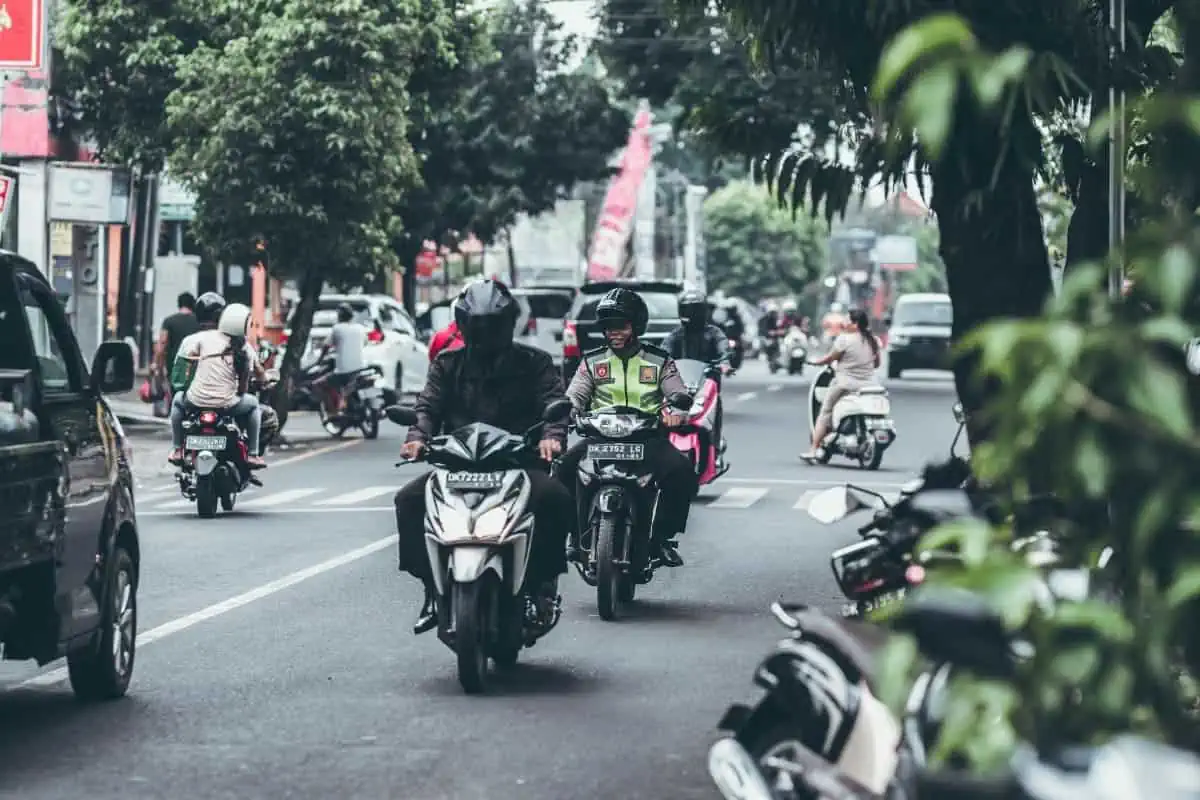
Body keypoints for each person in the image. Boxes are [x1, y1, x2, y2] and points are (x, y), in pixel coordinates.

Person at [394, 279, 575, 635]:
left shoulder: (535, 362)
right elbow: (427, 406)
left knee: (556, 499)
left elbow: (554, 405)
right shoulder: (447, 365)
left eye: (492, 327)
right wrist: (417, 437)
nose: (484, 335)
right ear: (463, 326)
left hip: (518, 463)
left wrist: (551, 439)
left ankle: (542, 584)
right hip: (457, 465)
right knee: (409, 501)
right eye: (477, 327)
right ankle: (432, 590)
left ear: (508, 325)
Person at [557, 287, 697, 569]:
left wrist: (674, 408)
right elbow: (574, 397)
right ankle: (574, 537)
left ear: (636, 326)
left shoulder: (659, 361)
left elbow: (676, 391)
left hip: (647, 441)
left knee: (683, 474)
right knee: (561, 470)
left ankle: (662, 538)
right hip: (599, 440)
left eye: (620, 325)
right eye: (608, 326)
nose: (614, 332)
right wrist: (568, 410)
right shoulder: (592, 363)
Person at [168, 294, 268, 469]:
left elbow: (180, 371)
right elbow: (256, 375)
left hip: (195, 401)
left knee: (177, 400)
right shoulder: (240, 343)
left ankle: (177, 449)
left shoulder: (191, 340)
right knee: (253, 406)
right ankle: (253, 454)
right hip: (227, 404)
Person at [802, 308, 881, 462]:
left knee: (825, 412)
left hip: (845, 384)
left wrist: (815, 362)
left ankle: (813, 449)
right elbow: (877, 364)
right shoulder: (874, 340)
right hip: (869, 386)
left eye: (847, 320)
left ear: (855, 324)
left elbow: (830, 358)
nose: (844, 323)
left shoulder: (844, 340)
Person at [662, 290, 730, 455]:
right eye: (687, 310)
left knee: (714, 408)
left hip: (707, 381)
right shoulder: (676, 334)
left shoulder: (714, 333)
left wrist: (724, 362)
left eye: (695, 310)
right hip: (679, 381)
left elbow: (724, 348)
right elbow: (664, 350)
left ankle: (715, 441)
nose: (691, 314)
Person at [317, 303, 367, 417]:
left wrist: (319, 360)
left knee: (319, 384)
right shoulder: (360, 328)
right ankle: (343, 401)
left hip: (343, 371)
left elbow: (326, 346)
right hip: (361, 368)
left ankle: (333, 412)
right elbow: (365, 343)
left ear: (339, 316)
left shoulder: (337, 328)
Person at [155, 292, 200, 380]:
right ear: (193, 304)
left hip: (174, 366)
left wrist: (157, 365)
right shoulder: (198, 322)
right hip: (194, 366)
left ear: (179, 304)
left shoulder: (169, 321)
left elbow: (162, 344)